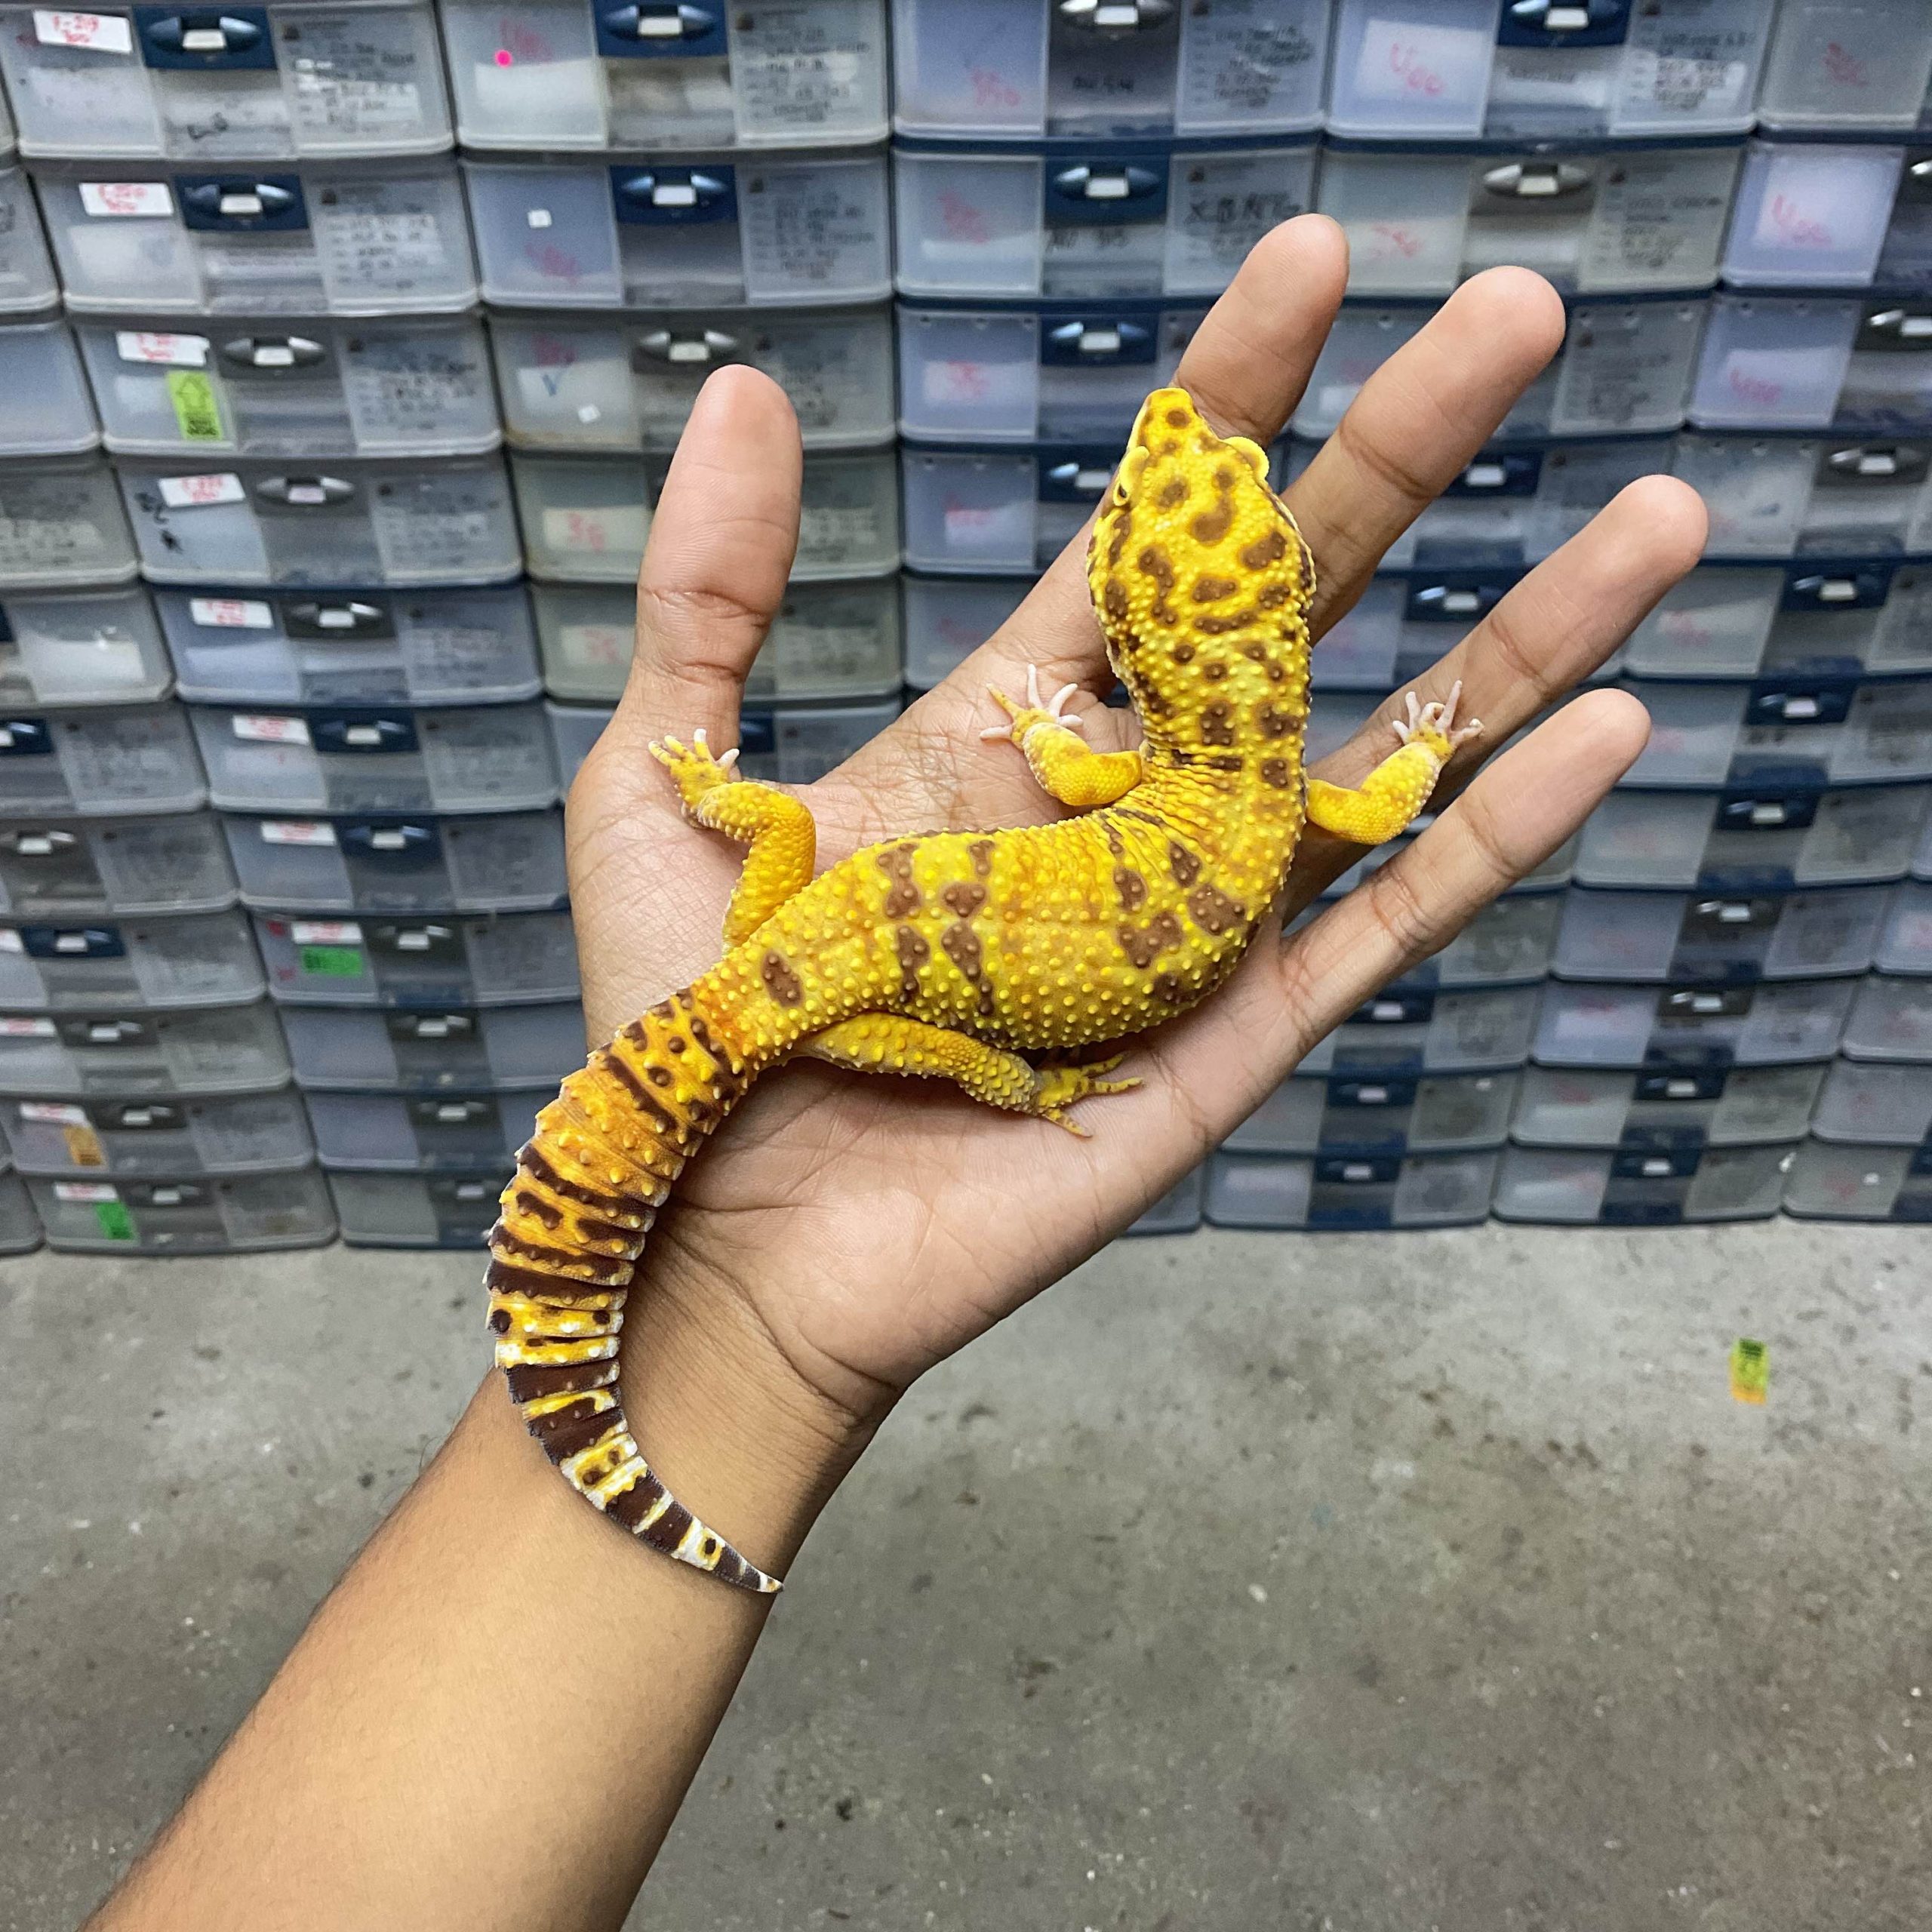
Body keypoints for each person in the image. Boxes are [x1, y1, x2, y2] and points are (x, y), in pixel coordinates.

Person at [85, 217, 1705, 1931]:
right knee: (953, 1040)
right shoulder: (1271, 786)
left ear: (1145, 642)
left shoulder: (1115, 780)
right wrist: (1401, 767)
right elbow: (1370, 809)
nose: (1178, 454)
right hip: (848, 998)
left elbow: (1071, 772)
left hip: (799, 947)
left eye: (1181, 501)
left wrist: (772, 803)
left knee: (811, 887)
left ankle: (758, 1214)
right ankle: (911, 1152)